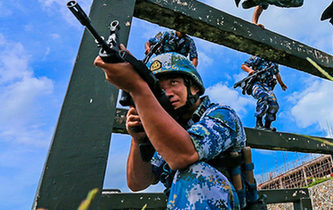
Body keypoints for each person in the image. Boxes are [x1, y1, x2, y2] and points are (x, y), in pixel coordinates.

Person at [94, 49, 249, 209]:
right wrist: (138, 139)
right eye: (159, 89)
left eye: (173, 83)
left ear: (194, 87)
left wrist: (137, 88)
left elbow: (184, 155)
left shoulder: (222, 115)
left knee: (193, 172)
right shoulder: (165, 131)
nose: (167, 93)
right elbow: (137, 183)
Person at [241, 56, 287, 131]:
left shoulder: (274, 63)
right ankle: (258, 123)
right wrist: (250, 70)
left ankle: (267, 125)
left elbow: (277, 74)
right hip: (256, 83)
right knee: (263, 97)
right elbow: (244, 65)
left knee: (274, 103)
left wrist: (281, 84)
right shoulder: (259, 57)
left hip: (267, 86)